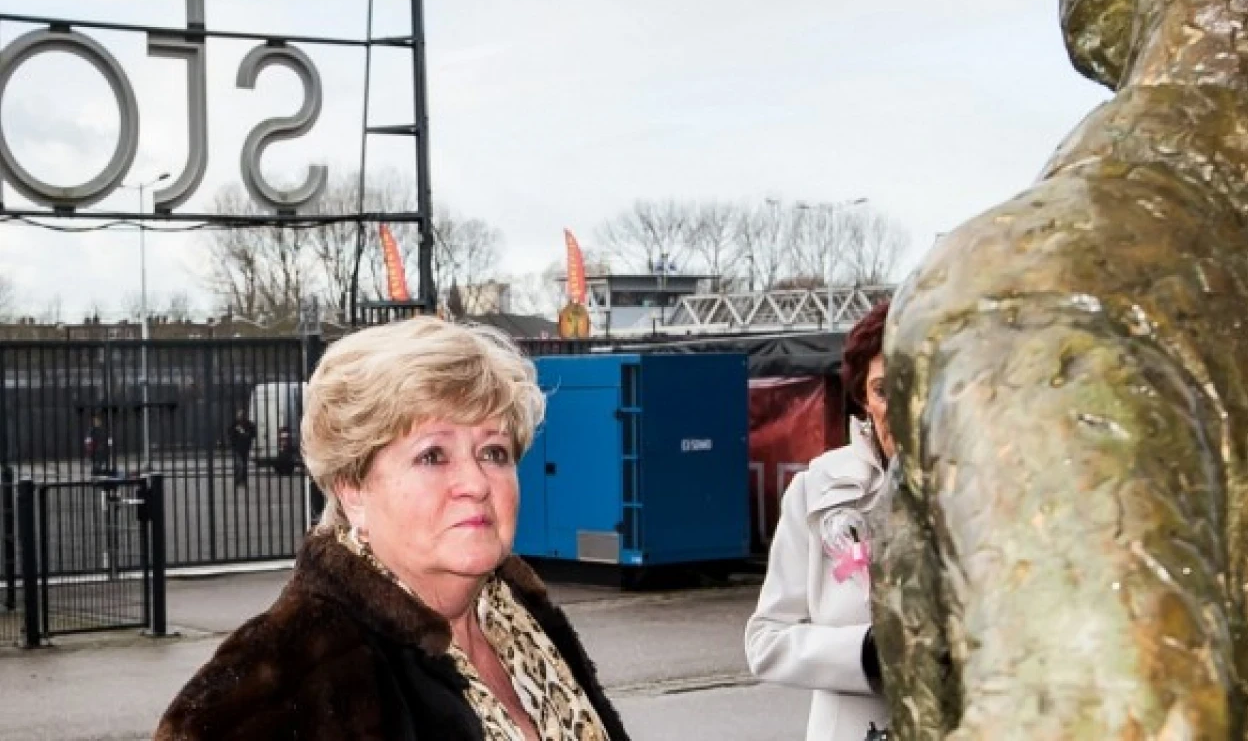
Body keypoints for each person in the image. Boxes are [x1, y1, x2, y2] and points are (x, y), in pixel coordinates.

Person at [156, 317, 629, 741]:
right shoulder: (284, 678)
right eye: (432, 455)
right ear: (352, 490)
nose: (476, 483)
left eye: (493, 452)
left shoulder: (522, 621)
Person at [746, 300, 894, 741]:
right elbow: (766, 641)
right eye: (884, 389)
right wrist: (865, 655)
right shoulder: (816, 490)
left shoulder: (982, 494)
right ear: (863, 398)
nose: (901, 407)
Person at [227, 409, 257, 489]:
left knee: (244, 465)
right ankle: (237, 480)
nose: (242, 417)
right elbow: (230, 433)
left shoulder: (249, 424)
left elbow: (254, 433)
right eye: (240, 416)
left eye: (243, 416)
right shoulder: (235, 424)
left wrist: (248, 434)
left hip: (245, 447)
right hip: (236, 448)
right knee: (239, 464)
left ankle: (243, 480)